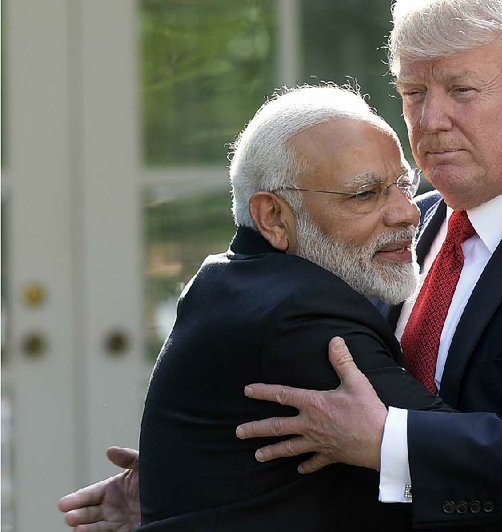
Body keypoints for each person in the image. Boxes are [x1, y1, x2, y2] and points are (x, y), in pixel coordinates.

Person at [58, 1, 502, 529]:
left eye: (462, 90)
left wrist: (393, 440)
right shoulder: (397, 222)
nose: (430, 119)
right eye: (413, 94)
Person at [133, 85, 456, 530]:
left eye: (403, 184)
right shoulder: (298, 316)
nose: (407, 212)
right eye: (365, 194)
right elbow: (464, 467)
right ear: (273, 217)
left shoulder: (229, 282)